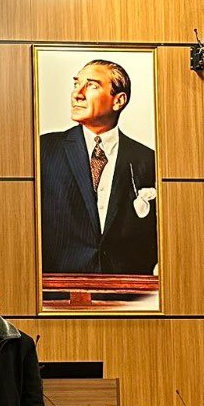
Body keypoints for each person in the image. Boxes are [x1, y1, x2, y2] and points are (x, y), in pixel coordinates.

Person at [40, 58, 158, 276]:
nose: (77, 94)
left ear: (118, 100)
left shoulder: (147, 160)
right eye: (76, 84)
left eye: (92, 85)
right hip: (58, 289)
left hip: (128, 290)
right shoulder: (44, 150)